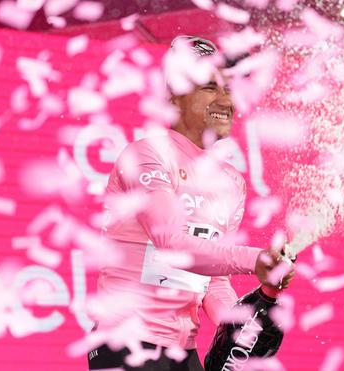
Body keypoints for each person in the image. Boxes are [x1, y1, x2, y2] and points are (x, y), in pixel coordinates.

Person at [87, 36, 294, 370]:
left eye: (229, 89)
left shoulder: (231, 183)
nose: (226, 100)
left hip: (183, 351)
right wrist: (255, 258)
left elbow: (213, 282)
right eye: (210, 88)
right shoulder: (146, 155)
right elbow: (170, 243)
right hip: (124, 343)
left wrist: (240, 318)